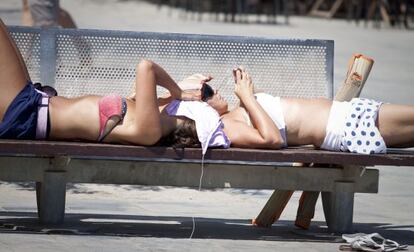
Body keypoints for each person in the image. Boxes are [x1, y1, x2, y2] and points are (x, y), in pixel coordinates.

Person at [0, 19, 201, 146]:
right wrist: (179, 91)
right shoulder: (148, 121)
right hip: (34, 104)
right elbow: (150, 91)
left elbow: (146, 67)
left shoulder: (150, 131)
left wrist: (178, 92)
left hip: (30, 114)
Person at [167, 68, 414, 154]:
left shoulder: (238, 112)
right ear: (199, 109)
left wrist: (246, 98)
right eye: (207, 93)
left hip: (347, 115)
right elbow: (272, 139)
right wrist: (247, 97)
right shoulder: (227, 126)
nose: (214, 91)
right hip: (345, 126)